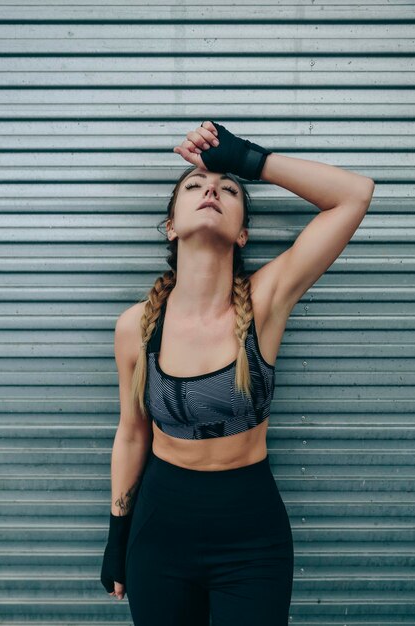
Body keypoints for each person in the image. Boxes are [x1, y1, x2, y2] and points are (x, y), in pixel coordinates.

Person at [100, 121, 375, 625]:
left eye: (227, 189)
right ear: (171, 225)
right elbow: (132, 433)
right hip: (159, 534)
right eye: (195, 186)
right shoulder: (135, 327)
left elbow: (355, 195)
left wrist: (248, 159)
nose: (210, 189)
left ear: (243, 231)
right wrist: (117, 536)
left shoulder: (267, 300)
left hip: (251, 538)